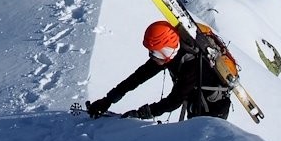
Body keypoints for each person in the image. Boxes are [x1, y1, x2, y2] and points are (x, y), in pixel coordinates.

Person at [85, 21, 232, 121]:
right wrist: (107, 100)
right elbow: (137, 78)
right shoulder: (168, 55)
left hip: (212, 111)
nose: (153, 57)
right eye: (151, 52)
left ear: (168, 48)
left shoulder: (192, 64)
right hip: (195, 103)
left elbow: (174, 101)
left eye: (155, 53)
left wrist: (142, 114)